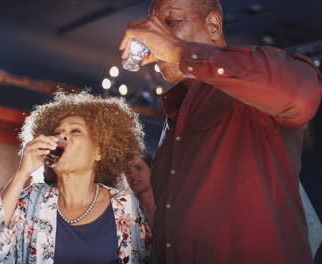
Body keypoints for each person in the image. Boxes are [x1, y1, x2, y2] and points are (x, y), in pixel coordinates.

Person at [119, 0, 322, 263]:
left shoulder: (251, 90)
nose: (156, 36)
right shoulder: (175, 116)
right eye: (155, 28)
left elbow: (302, 93)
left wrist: (180, 50)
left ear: (213, 25)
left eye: (171, 23)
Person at [0, 91, 151, 264]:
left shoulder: (124, 205)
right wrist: (22, 172)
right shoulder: (33, 200)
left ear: (99, 151)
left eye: (76, 131)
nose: (61, 136)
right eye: (58, 132)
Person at [125, 152, 155, 225]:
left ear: (152, 168)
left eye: (138, 168)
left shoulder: (171, 204)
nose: (132, 175)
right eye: (127, 171)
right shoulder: (125, 210)